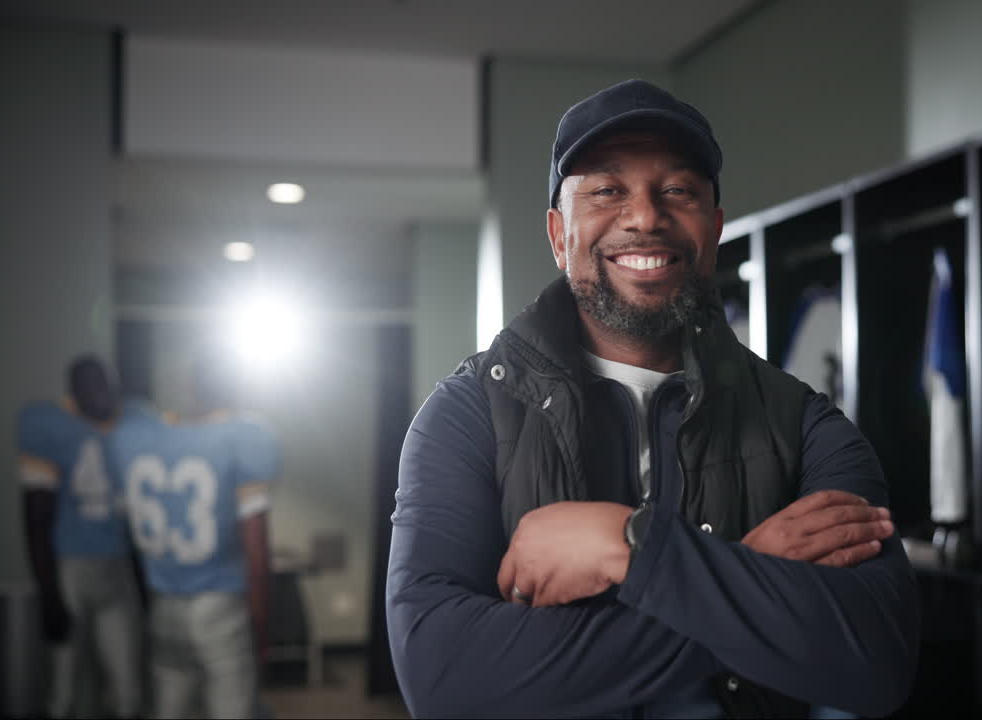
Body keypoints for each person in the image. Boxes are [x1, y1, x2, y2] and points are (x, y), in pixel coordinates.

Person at [386, 79, 920, 718]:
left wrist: (630, 545)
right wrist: (746, 571)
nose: (644, 216)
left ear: (714, 229)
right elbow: (445, 684)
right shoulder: (467, 416)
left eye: (677, 191)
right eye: (608, 190)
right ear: (559, 235)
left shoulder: (803, 424)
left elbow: (875, 662)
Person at [107, 350, 278, 719]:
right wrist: (262, 623)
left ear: (190, 385)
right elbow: (257, 549)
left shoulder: (138, 433)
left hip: (162, 602)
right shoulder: (244, 435)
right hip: (220, 604)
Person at [18, 355, 145, 719]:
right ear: (72, 393)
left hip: (117, 564)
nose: (102, 394)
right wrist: (48, 592)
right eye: (92, 385)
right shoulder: (48, 424)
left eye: (107, 384)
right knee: (63, 686)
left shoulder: (132, 421)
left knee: (127, 686)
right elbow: (35, 517)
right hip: (68, 565)